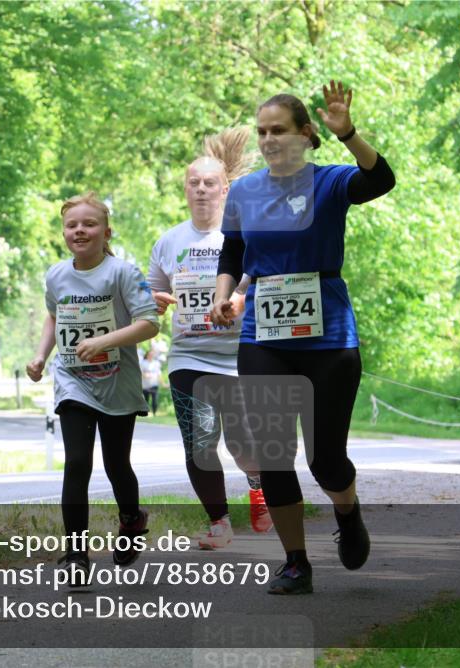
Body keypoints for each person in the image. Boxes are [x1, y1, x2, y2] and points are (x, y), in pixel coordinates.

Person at [211, 81, 396, 594]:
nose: (269, 139)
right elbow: (232, 252)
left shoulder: (331, 181)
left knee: (326, 460)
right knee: (274, 452)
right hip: (264, 334)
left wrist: (350, 134)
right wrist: (223, 294)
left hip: (329, 337)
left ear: (305, 134)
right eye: (262, 132)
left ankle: (348, 509)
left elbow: (381, 180)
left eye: (279, 131)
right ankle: (296, 561)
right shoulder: (244, 191)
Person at [26, 191, 160, 586]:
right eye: (72, 225)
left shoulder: (122, 272)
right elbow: (54, 318)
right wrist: (40, 356)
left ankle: (132, 520)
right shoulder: (55, 274)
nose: (80, 231)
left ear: (105, 232)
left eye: (89, 224)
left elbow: (150, 323)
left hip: (116, 381)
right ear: (64, 232)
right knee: (78, 462)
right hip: (73, 380)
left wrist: (104, 342)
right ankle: (76, 555)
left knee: (117, 465)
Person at [148, 128, 272, 550]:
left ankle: (258, 488)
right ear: (185, 188)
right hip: (188, 356)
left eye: (209, 183)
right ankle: (219, 522)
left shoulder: (240, 235)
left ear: (225, 189)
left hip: (239, 355)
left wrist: (239, 297)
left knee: (241, 443)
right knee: (200, 441)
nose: (201, 189)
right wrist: (157, 302)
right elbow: (151, 294)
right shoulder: (168, 240)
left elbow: (262, 278)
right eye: (193, 182)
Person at [139, 348, 162, 416]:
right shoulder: (143, 363)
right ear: (147, 355)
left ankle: (154, 413)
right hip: (145, 385)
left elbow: (159, 374)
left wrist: (163, 383)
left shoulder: (156, 363)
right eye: (150, 354)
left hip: (154, 384)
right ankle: (146, 413)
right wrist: (144, 375)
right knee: (146, 400)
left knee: (155, 400)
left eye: (152, 354)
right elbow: (140, 372)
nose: (151, 356)